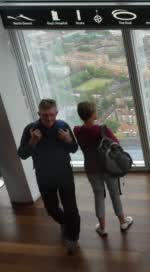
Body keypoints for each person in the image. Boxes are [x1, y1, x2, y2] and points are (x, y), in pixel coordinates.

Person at [17, 99, 80, 255]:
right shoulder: (30, 129)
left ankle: (72, 239)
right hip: (44, 176)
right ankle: (65, 222)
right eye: (45, 115)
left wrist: (68, 139)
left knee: (71, 209)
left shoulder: (63, 126)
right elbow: (22, 154)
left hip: (64, 173)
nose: (49, 119)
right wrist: (32, 141)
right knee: (50, 208)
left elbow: (74, 149)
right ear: (39, 114)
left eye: (52, 115)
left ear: (56, 113)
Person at [73, 101, 134, 237]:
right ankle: (123, 222)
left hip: (91, 169)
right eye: (95, 110)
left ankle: (102, 227)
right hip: (108, 167)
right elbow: (116, 144)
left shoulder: (77, 130)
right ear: (93, 114)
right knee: (114, 194)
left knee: (98, 196)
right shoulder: (102, 129)